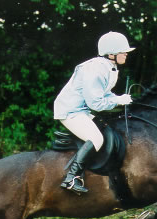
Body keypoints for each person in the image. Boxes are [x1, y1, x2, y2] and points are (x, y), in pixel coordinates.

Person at [54, 31, 135, 195]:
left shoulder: (109, 67)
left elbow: (103, 94)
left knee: (107, 128)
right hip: (70, 110)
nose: (126, 53)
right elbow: (96, 103)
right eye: (123, 51)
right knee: (96, 138)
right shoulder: (97, 69)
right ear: (111, 53)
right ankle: (71, 178)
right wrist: (119, 101)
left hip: (81, 109)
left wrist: (118, 98)